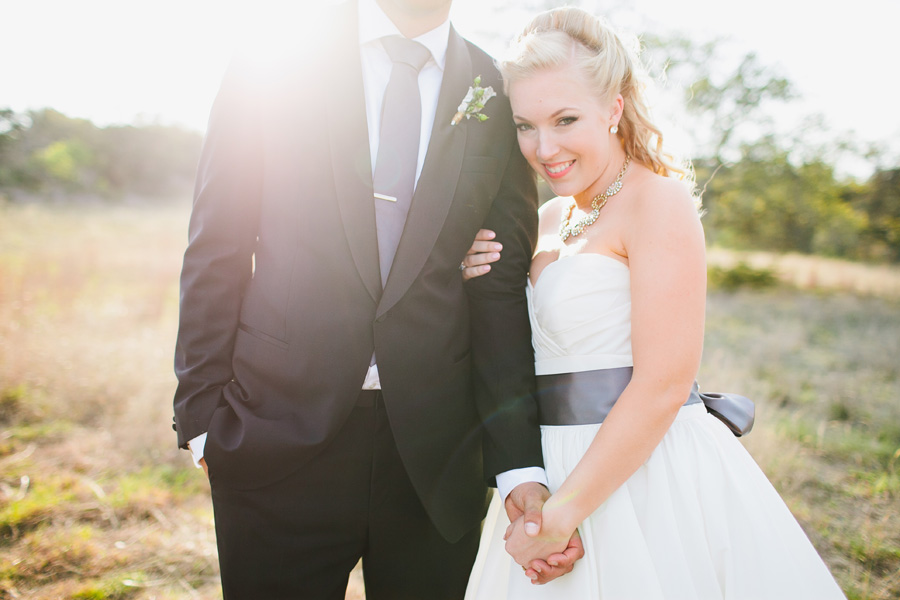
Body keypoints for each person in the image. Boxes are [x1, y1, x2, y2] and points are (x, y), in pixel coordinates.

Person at [171, 0, 586, 597]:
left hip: (439, 458)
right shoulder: (277, 56)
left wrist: (518, 459)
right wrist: (203, 414)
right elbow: (218, 241)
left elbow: (500, 284)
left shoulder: (497, 90)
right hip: (274, 433)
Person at [464, 7, 847, 599]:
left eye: (566, 119)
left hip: (643, 476)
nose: (544, 148)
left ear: (614, 108)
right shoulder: (542, 220)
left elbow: (665, 383)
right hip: (547, 474)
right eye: (525, 125)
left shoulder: (657, 203)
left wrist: (565, 514)